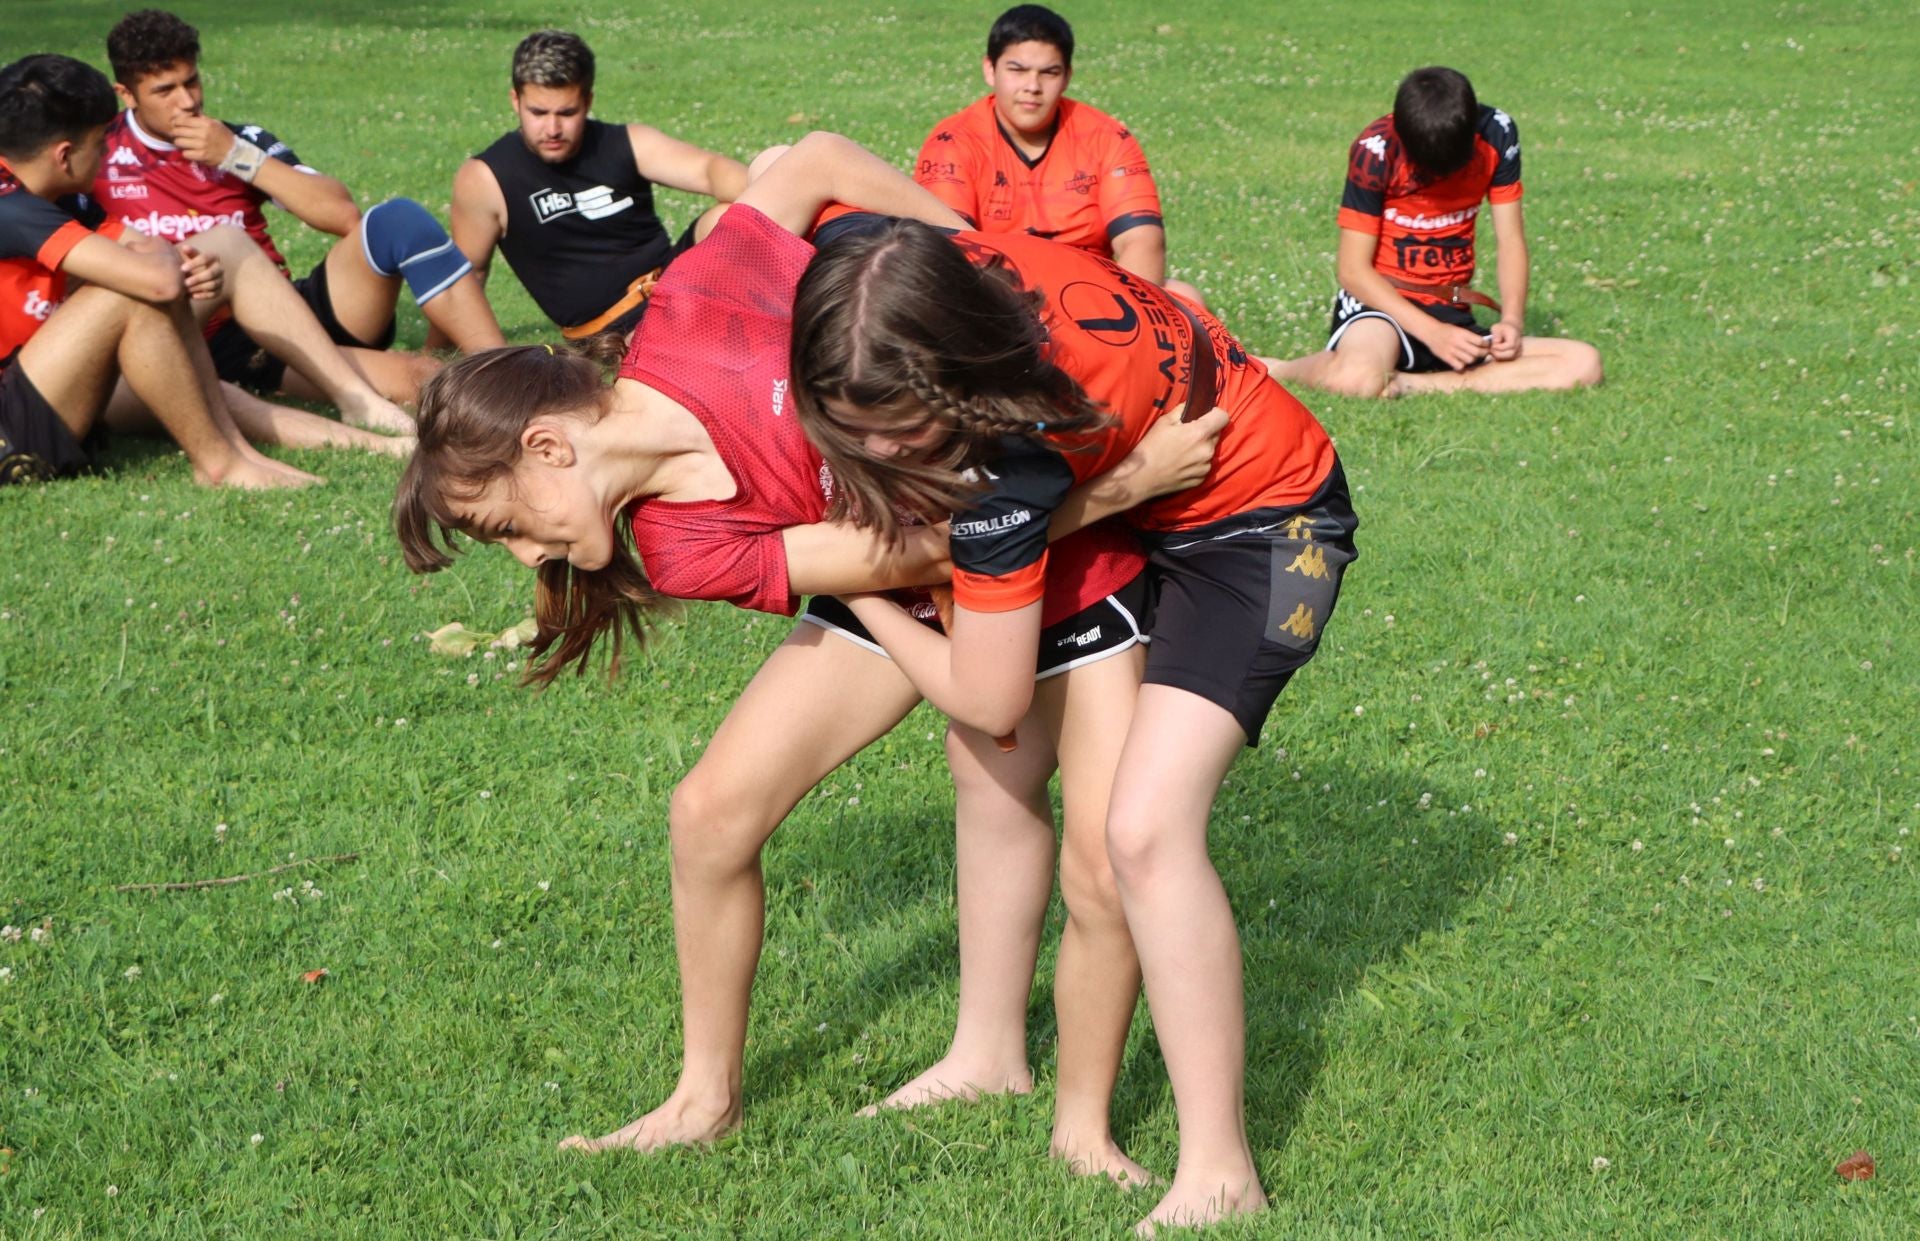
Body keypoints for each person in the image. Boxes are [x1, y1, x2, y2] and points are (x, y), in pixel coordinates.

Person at [392, 134, 1219, 1181]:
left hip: (1031, 521)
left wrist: (979, 268)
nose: (525, 556)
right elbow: (912, 556)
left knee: (1056, 818)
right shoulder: (675, 543)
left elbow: (819, 159)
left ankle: (1013, 1066)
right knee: (710, 813)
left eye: (506, 523)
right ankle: (707, 1098)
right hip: (920, 565)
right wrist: (1114, 490)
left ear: (548, 448)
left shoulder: (696, 305)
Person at [789, 219, 1358, 1232]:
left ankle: (1221, 1172)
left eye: (898, 430)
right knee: (996, 773)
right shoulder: (913, 272)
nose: (876, 453)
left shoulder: (1020, 447)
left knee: (1142, 833)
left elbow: (984, 678)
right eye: (852, 427)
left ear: (953, 374)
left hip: (1271, 528)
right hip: (1149, 510)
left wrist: (856, 580)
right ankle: (987, 1056)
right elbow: (817, 161)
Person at [99, 9, 505, 410]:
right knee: (420, 377)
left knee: (399, 221)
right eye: (165, 91)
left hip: (284, 308)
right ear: (126, 94)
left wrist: (238, 157)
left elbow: (343, 216)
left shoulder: (235, 140)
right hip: (220, 339)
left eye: (192, 81)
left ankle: (507, 368)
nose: (187, 101)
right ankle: (502, 394)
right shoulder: (97, 156)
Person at [2, 53, 329, 490]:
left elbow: (143, 245)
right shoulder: (11, 208)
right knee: (134, 290)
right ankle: (219, 464)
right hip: (10, 431)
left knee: (172, 269)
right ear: (64, 156)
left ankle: (239, 452)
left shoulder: (54, 194)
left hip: (35, 385)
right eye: (99, 145)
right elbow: (156, 280)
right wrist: (170, 270)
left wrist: (172, 265)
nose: (105, 155)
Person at [1268, 65, 1603, 398]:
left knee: (1583, 363)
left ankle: (1409, 385)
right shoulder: (1375, 152)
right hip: (1381, 307)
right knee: (1355, 379)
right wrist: (1433, 334)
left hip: (1451, 310)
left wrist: (1512, 321)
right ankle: (1278, 370)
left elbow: (1510, 239)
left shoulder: (1497, 133)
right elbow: (1353, 270)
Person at [444, 29, 748, 343]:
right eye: (538, 113)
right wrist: (436, 355)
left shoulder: (627, 142)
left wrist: (763, 202)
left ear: (587, 101)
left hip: (675, 288)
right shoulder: (487, 178)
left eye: (567, 113)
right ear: (515, 100)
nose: (552, 129)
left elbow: (711, 169)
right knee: (663, 339)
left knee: (731, 216)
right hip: (610, 334)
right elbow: (460, 283)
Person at [913, 6, 1178, 290]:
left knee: (1185, 297)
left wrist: (1127, 309)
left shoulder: (1107, 136)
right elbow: (946, 249)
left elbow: (1142, 241)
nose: (1033, 86)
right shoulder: (952, 141)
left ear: (1066, 77)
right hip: (995, 295)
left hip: (1094, 294)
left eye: (1049, 73)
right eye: (1017, 70)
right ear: (990, 69)